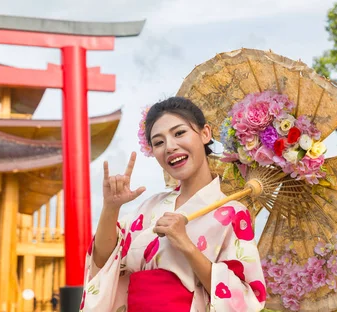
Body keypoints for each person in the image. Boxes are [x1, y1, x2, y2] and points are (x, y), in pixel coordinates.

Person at [79, 97, 266, 312]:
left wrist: (186, 245)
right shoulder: (149, 207)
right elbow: (104, 263)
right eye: (158, 142)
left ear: (205, 133)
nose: (169, 147)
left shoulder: (232, 213)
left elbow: (246, 298)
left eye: (179, 133)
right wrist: (111, 208)